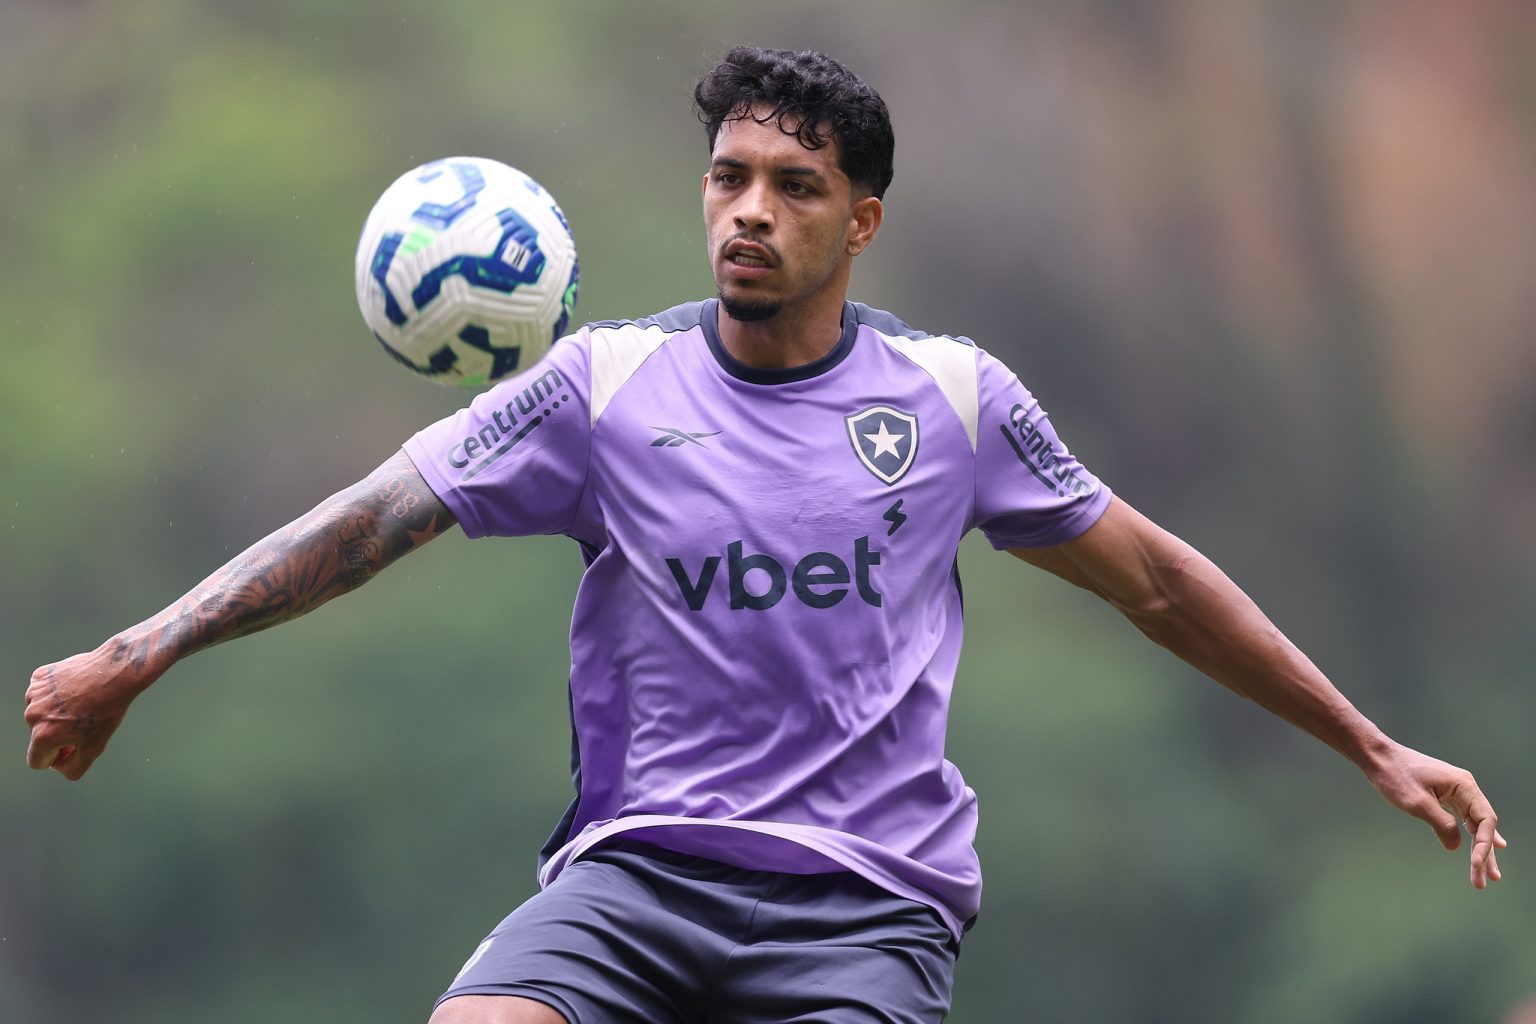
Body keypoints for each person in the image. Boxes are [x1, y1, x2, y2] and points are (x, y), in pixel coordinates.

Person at [25, 46, 1504, 1024]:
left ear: (861, 224)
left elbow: (1162, 586)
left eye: (795, 188)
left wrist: (1370, 745)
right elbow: (367, 521)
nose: (749, 212)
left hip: (865, 910)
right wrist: (139, 654)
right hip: (639, 881)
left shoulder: (953, 400)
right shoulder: (601, 386)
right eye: (729, 178)